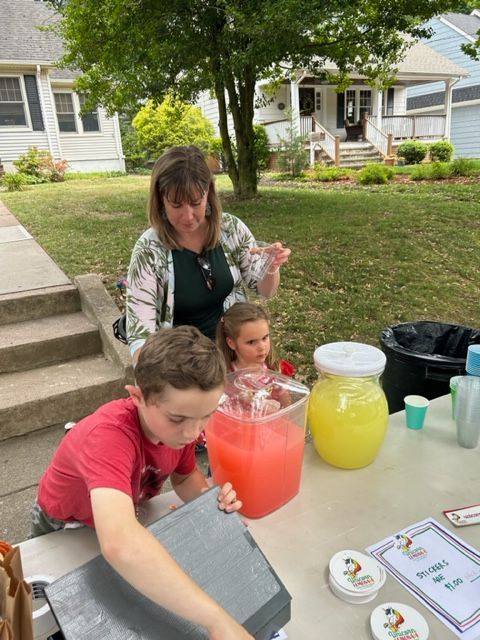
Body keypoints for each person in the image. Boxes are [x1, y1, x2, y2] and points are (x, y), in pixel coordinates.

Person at [31, 326, 253, 640]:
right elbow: (120, 544)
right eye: (178, 419)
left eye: (206, 416)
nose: (193, 433)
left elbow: (185, 475)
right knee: (66, 606)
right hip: (64, 524)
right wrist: (216, 619)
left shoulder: (183, 424)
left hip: (116, 514)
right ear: (137, 397)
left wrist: (209, 503)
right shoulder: (109, 435)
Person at [126, 145, 291, 363]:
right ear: (160, 200)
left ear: (209, 194)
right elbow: (140, 337)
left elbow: (264, 290)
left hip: (235, 358)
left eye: (196, 203)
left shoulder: (231, 229)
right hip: (181, 366)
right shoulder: (148, 251)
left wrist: (271, 265)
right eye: (176, 205)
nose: (188, 216)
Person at [216, 302, 295, 375]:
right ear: (231, 343)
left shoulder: (277, 369)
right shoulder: (225, 378)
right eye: (251, 342)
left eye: (264, 338)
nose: (261, 347)